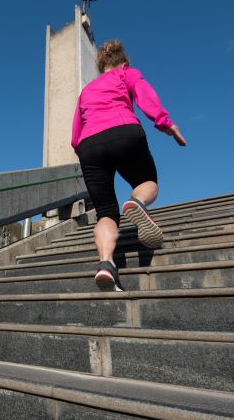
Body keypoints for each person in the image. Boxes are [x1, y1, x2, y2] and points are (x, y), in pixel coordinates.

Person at [71, 39, 186, 292]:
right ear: (122, 62)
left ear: (102, 67)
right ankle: (138, 202)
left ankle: (106, 264)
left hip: (89, 144)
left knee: (105, 212)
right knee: (147, 182)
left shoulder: (87, 91)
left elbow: (75, 134)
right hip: (123, 130)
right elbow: (145, 96)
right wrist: (165, 123)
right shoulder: (126, 73)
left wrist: (85, 152)